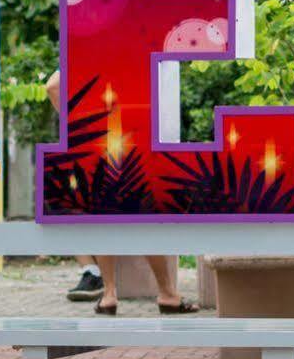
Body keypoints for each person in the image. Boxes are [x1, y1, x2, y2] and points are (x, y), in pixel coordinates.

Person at [44, 70, 198, 315]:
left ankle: (109, 295)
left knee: (103, 219)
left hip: (99, 147)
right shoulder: (126, 51)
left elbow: (53, 86)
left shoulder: (87, 58)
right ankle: (167, 294)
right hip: (135, 144)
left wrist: (79, 126)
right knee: (146, 219)